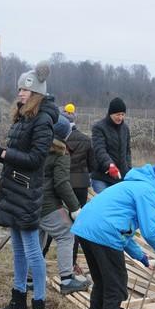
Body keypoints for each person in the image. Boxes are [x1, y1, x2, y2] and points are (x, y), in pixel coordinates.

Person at [0, 62, 55, 309]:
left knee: (33, 250)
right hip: (14, 189)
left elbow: (34, 159)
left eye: (25, 90)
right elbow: (15, 154)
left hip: (27, 192)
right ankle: (18, 298)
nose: (20, 93)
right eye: (19, 89)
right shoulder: (24, 117)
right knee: (18, 249)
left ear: (37, 94)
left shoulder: (43, 120)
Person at [72, 161, 155, 309]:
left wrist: (143, 258)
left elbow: (124, 233)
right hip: (103, 232)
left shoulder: (131, 185)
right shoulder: (148, 191)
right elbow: (150, 231)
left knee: (102, 281)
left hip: (85, 228)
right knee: (117, 287)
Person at [39, 115, 90, 295]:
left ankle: (30, 279)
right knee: (67, 233)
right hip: (47, 204)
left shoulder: (39, 147)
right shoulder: (61, 152)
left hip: (31, 202)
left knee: (37, 240)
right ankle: (67, 279)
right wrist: (75, 208)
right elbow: (61, 183)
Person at [63, 102, 94, 275]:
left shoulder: (58, 139)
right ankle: (72, 262)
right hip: (80, 184)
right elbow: (92, 165)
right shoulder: (86, 140)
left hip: (62, 183)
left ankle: (42, 256)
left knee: (55, 222)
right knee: (76, 223)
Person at [91, 97, 131, 193]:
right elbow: (99, 150)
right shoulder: (99, 128)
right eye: (118, 114)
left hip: (120, 178)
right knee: (103, 201)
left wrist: (128, 169)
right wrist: (110, 165)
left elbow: (127, 151)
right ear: (111, 113)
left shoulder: (125, 129)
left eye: (122, 114)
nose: (120, 117)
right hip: (102, 177)